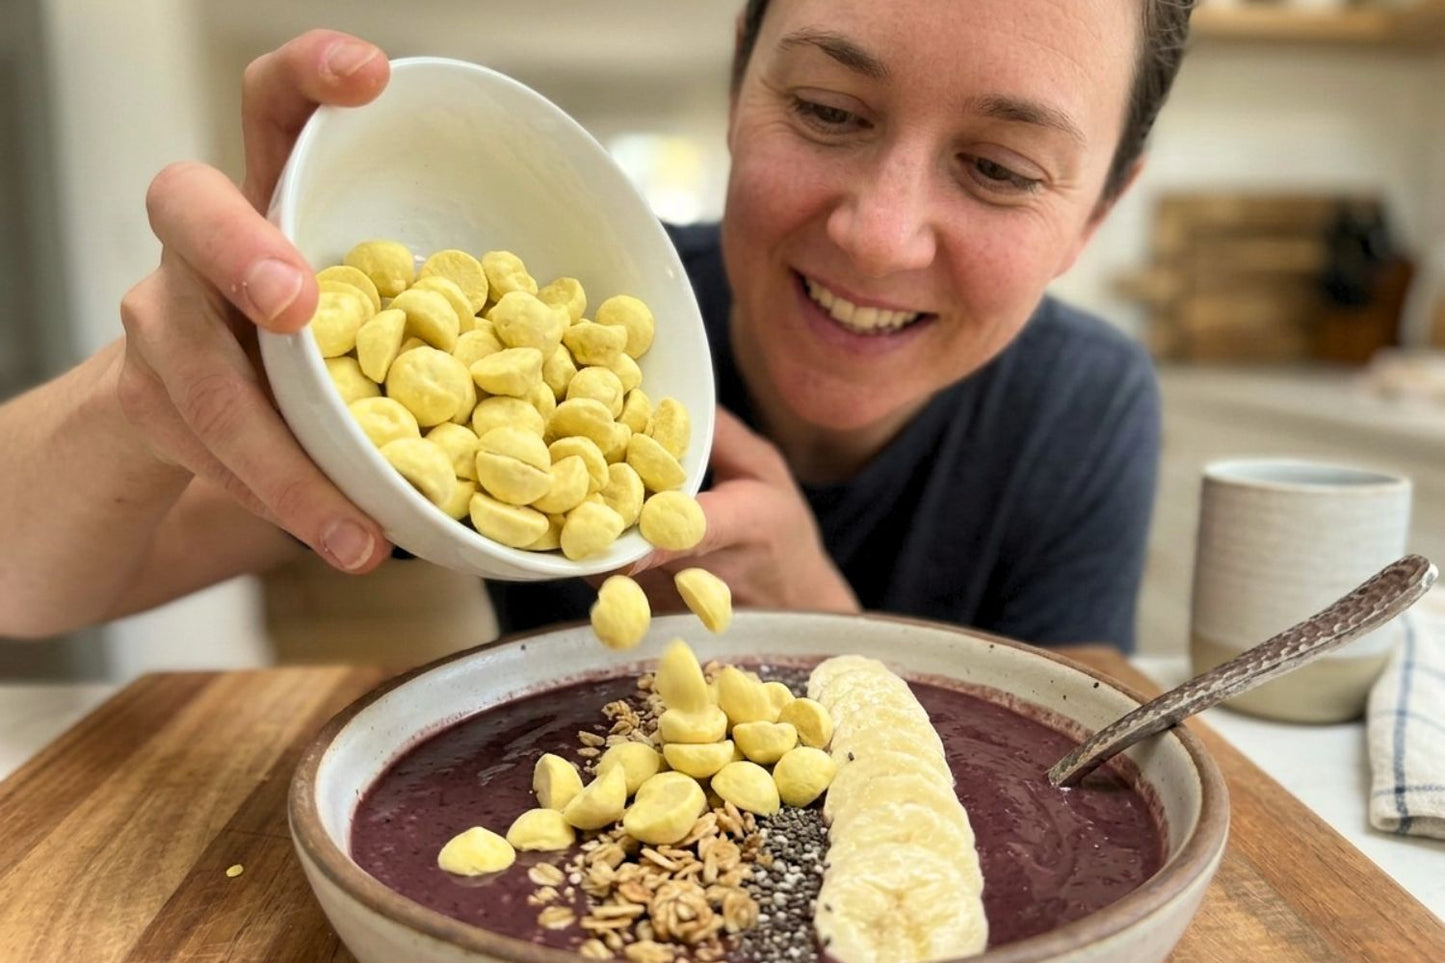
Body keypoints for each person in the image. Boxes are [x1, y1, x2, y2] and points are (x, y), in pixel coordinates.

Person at [0, 0, 1193, 651]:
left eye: (997, 169)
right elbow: (19, 590)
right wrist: (139, 397)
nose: (878, 237)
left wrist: (831, 633)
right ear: (739, 86)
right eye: (828, 110)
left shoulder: (1082, 405)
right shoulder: (529, 347)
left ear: (1095, 213)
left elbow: (1080, 743)